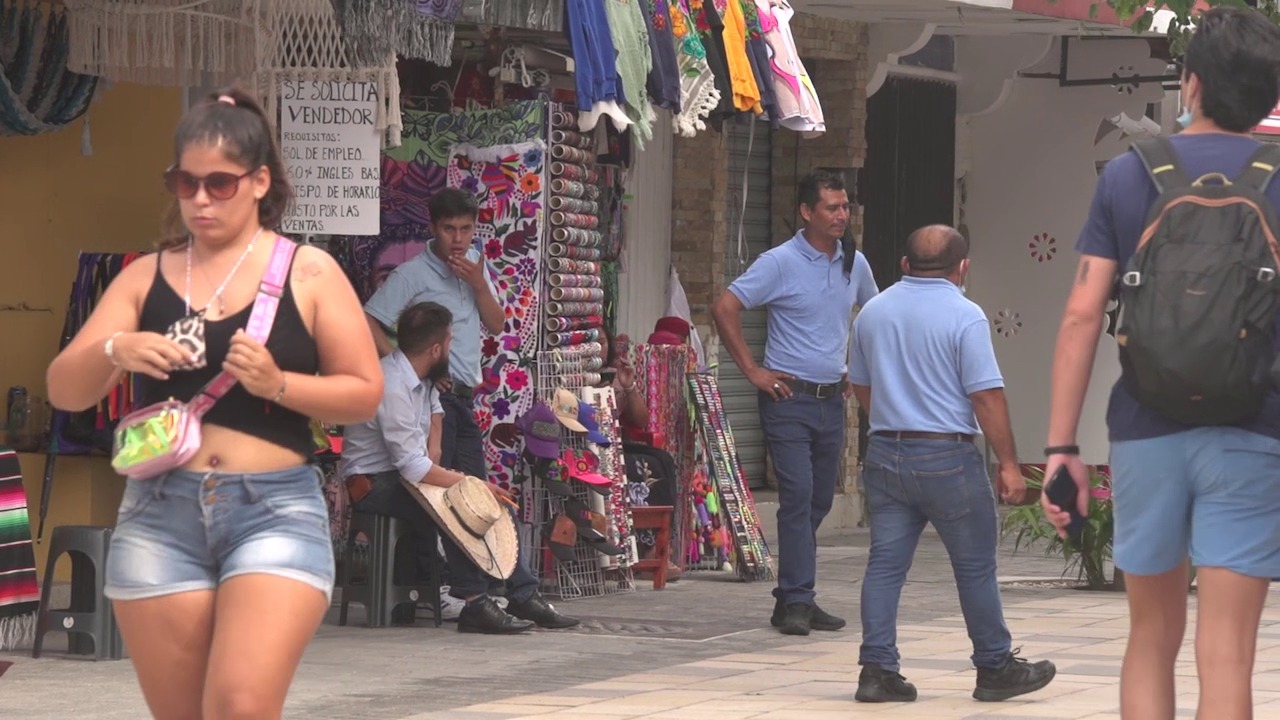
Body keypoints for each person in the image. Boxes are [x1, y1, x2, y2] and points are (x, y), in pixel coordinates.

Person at [45, 87, 384, 718]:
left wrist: (278, 384)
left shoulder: (309, 272)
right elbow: (64, 388)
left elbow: (364, 394)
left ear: (259, 182)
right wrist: (116, 348)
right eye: (185, 182)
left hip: (274, 507)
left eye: (219, 184)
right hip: (160, 512)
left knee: (240, 703)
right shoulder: (145, 275)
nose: (199, 199)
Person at [1042, 8, 1280, 719]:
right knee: (1229, 650)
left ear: (1193, 83)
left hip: (1146, 431)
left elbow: (1083, 314)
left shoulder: (1127, 175)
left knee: (1150, 637)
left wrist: (1061, 450)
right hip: (1255, 430)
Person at [848, 225, 1055, 703]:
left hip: (885, 454)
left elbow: (858, 383)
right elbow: (984, 395)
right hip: (947, 457)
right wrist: (1008, 463)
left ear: (904, 264)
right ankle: (994, 666)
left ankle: (877, 671)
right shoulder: (965, 314)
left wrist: (893, 417)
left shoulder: (872, 312)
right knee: (974, 567)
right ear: (963, 268)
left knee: (884, 566)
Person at [342, 301, 579, 634]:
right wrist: (469, 483)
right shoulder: (392, 384)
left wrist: (436, 444)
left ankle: (523, 594)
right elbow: (412, 467)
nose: (453, 348)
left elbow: (435, 409)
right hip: (372, 483)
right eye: (451, 342)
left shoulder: (422, 375)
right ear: (436, 348)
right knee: (462, 503)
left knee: (490, 501)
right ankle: (475, 602)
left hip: (401, 475)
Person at [711, 169, 878, 636]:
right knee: (798, 496)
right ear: (807, 212)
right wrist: (752, 371)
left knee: (819, 500)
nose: (842, 215)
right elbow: (724, 307)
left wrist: (855, 368)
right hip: (787, 398)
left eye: (845, 206)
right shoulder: (779, 261)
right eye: (831, 207)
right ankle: (798, 599)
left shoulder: (853, 261)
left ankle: (793, 597)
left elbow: (873, 315)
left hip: (831, 401)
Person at [364, 188, 504, 480]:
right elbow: (366, 321)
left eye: (466, 229)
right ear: (432, 228)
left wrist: (478, 284)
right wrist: (408, 370)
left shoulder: (475, 263)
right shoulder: (412, 273)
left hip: (466, 399)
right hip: (434, 400)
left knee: (475, 495)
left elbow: (497, 325)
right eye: (448, 229)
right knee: (443, 497)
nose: (457, 239)